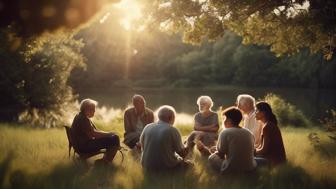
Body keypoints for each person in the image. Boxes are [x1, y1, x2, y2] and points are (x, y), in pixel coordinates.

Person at [140, 105, 189, 172]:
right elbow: (183, 154)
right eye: (174, 117)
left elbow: (142, 146)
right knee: (190, 165)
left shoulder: (147, 127)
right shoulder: (172, 130)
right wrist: (188, 145)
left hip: (146, 166)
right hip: (165, 168)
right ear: (170, 117)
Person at [71, 98, 120, 164]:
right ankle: (105, 161)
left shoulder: (80, 116)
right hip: (84, 146)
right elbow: (94, 135)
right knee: (115, 138)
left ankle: (105, 160)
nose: (94, 111)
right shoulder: (83, 119)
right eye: (93, 109)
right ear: (86, 109)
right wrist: (109, 134)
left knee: (113, 137)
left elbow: (94, 132)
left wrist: (109, 134)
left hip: (81, 145)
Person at [208, 107, 257, 173]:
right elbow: (253, 152)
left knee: (212, 158)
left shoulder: (226, 132)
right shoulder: (249, 133)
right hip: (250, 168)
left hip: (232, 169)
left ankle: (224, 173)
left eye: (224, 119)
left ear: (229, 121)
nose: (223, 121)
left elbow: (221, 154)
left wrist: (215, 151)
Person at [255, 101, 286, 166]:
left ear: (263, 113)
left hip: (272, 161)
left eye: (256, 111)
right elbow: (261, 147)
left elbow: (263, 150)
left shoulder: (267, 126)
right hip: (275, 160)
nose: (255, 113)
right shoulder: (269, 124)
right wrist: (253, 149)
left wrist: (252, 152)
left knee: (246, 160)